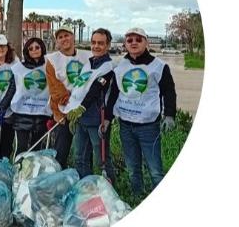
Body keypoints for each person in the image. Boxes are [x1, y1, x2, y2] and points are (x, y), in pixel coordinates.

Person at [106, 27, 177, 194]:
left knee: (155, 169)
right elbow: (114, 92)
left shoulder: (159, 66)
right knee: (132, 167)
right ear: (125, 44)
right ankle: (137, 196)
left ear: (146, 42)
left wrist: (169, 115)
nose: (134, 43)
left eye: (138, 39)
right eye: (130, 40)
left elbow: (169, 91)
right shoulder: (120, 65)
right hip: (126, 125)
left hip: (148, 127)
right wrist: (108, 117)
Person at [66, 28, 118, 183]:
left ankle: (109, 189)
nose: (96, 46)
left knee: (101, 159)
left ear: (108, 45)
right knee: (79, 157)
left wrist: (81, 107)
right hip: (81, 119)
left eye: (101, 43)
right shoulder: (88, 64)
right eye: (94, 42)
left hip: (97, 120)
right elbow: (79, 88)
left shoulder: (109, 67)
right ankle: (86, 187)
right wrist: (71, 109)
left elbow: (96, 88)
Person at [46, 25, 92, 168]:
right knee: (61, 150)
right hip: (63, 112)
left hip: (84, 111)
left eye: (66, 35)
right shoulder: (52, 60)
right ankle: (58, 178)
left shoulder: (88, 56)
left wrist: (81, 101)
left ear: (73, 37)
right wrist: (70, 101)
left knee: (84, 152)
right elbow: (55, 87)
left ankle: (84, 179)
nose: (64, 39)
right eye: (60, 37)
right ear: (57, 42)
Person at [0, 37, 52, 156]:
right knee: (21, 149)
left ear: (42, 48)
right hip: (22, 115)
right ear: (27, 51)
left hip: (41, 115)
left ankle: (34, 174)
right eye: (31, 48)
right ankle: (19, 172)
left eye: (37, 47)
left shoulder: (50, 67)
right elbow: (12, 89)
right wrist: (3, 107)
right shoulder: (19, 68)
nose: (34, 50)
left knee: (37, 150)